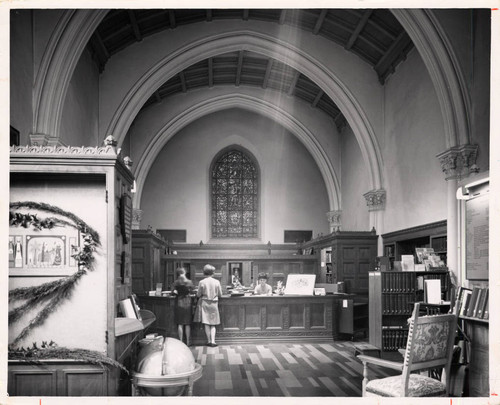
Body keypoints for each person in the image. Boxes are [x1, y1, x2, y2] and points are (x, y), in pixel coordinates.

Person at [194, 264, 222, 347]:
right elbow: (220, 294)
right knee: (213, 323)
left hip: (205, 303)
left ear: (204, 272)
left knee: (206, 323)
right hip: (214, 303)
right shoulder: (217, 282)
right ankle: (213, 341)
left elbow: (198, 294)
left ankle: (208, 341)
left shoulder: (201, 282)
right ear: (213, 272)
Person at [171, 267, 194, 346]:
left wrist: (176, 293)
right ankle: (188, 342)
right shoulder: (189, 282)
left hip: (179, 302)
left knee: (180, 323)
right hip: (187, 302)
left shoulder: (176, 282)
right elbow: (193, 291)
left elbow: (172, 292)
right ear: (185, 272)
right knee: (187, 324)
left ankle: (181, 342)